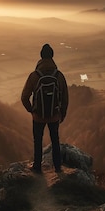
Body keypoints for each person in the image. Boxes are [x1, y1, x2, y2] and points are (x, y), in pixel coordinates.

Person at [21, 43, 69, 173]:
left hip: (38, 115)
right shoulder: (59, 75)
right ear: (52, 56)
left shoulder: (34, 76)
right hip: (54, 115)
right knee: (55, 140)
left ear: (40, 57)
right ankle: (58, 167)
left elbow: (24, 96)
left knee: (38, 140)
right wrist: (62, 113)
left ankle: (37, 167)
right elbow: (65, 97)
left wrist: (31, 109)